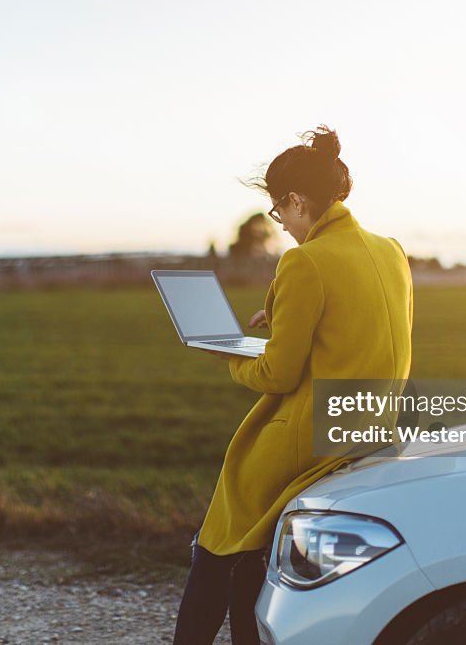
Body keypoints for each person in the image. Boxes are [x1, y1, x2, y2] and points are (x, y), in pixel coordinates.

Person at [171, 125, 414, 645]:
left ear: (298, 201)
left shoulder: (303, 260)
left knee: (215, 545)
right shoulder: (390, 250)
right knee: (252, 556)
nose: (281, 225)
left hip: (307, 439)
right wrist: (280, 312)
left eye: (280, 213)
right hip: (367, 429)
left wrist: (229, 355)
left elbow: (278, 374)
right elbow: (352, 323)